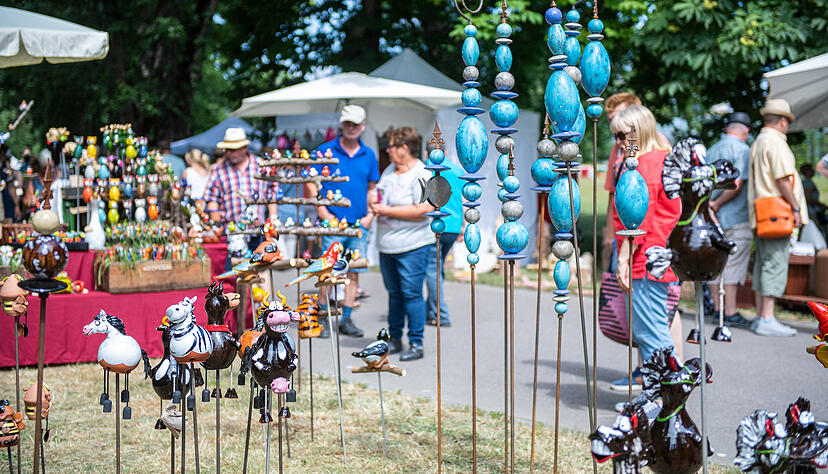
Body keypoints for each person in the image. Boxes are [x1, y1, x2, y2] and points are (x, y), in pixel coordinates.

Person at [611, 105, 679, 391]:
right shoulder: (660, 159)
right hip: (653, 256)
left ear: (639, 131)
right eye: (615, 136)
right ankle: (660, 398)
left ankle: (667, 399)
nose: (618, 142)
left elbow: (641, 218)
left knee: (652, 335)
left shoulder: (647, 164)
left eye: (622, 135)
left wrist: (623, 259)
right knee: (650, 332)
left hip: (646, 258)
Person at [309, 105, 380, 338]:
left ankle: (346, 319)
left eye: (355, 124)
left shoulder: (369, 155)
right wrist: (322, 211)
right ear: (341, 124)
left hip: (359, 224)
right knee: (327, 271)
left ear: (363, 126)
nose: (351, 128)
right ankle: (321, 317)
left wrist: (370, 217)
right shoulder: (325, 150)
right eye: (347, 123)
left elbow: (372, 188)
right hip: (333, 223)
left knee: (353, 272)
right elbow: (310, 181)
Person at [372, 126, 433, 361]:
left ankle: (416, 342)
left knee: (411, 294)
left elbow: (424, 209)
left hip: (413, 245)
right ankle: (394, 338)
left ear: (404, 148)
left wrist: (387, 210)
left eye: (391, 146)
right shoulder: (389, 170)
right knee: (394, 294)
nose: (387, 150)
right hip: (387, 244)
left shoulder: (422, 173)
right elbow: (379, 195)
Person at [747, 99, 807, 337]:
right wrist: (796, 208)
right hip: (777, 214)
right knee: (775, 264)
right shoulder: (776, 142)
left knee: (763, 264)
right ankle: (767, 318)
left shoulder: (759, 141)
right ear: (783, 121)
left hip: (762, 214)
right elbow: (783, 179)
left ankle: (760, 316)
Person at [204, 128, 278, 270]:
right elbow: (211, 198)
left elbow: (272, 192)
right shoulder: (218, 170)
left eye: (234, 149)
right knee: (235, 272)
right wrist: (216, 224)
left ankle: (264, 286)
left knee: (262, 270)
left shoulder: (261, 165)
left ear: (244, 148)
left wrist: (273, 217)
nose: (231, 153)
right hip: (233, 234)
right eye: (228, 150)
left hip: (258, 230)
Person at [707, 112, 753, 328]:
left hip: (711, 217)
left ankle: (718, 309)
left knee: (715, 263)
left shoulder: (712, 150)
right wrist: (718, 203)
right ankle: (730, 312)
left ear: (727, 129)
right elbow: (736, 184)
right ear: (746, 131)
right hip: (735, 215)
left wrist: (709, 206)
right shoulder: (743, 150)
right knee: (733, 264)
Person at [424, 142, 463, 327]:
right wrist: (463, 226)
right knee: (437, 268)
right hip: (454, 226)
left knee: (433, 270)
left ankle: (441, 314)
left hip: (435, 225)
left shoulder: (426, 169)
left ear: (427, 153)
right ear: (445, 152)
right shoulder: (456, 169)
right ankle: (430, 311)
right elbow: (463, 198)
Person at [602, 93, 643, 266]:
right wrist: (609, 234)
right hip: (620, 233)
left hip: (642, 238)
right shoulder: (617, 147)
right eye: (611, 120)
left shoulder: (653, 147)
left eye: (619, 116)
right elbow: (612, 194)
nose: (614, 125)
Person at [800, 164, 828, 233]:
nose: (813, 171)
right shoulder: (808, 183)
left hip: (809, 209)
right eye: (811, 170)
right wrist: (821, 205)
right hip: (811, 210)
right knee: (817, 230)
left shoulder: (804, 181)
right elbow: (808, 198)